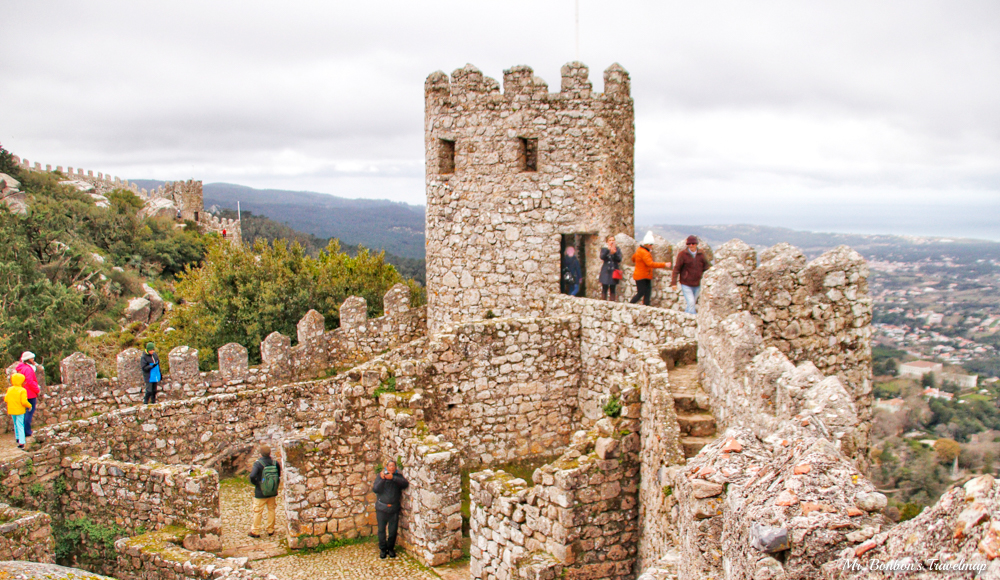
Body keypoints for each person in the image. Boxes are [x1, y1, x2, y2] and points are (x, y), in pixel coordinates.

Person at [372, 460, 409, 559]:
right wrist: (383, 479)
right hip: (382, 508)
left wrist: (393, 478)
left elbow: (405, 484)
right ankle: (383, 549)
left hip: (393, 508)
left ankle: (391, 548)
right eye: (390, 466)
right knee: (381, 530)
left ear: (395, 468)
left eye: (393, 466)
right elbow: (375, 489)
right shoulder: (380, 477)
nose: (392, 467)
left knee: (393, 531)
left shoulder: (398, 477)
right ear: (387, 467)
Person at [671, 235, 712, 315]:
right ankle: (694, 321)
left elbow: (706, 266)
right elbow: (676, 269)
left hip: (697, 284)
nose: (691, 245)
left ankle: (686, 319)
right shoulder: (682, 255)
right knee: (691, 302)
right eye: (689, 244)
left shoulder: (701, 254)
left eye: (693, 243)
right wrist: (673, 283)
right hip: (686, 284)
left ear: (696, 244)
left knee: (691, 304)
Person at [248, 444, 281, 538]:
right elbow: (278, 475)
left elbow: (252, 476)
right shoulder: (275, 463)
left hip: (260, 492)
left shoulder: (258, 464)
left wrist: (257, 484)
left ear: (261, 454)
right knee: (271, 509)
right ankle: (270, 529)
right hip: (272, 491)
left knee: (258, 511)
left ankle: (255, 531)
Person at [630, 232, 668, 306]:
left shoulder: (639, 250)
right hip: (642, 276)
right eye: (651, 245)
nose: (652, 246)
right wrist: (664, 264)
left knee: (647, 292)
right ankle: (630, 305)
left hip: (644, 275)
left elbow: (633, 258)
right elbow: (650, 264)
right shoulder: (644, 253)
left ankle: (645, 306)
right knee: (642, 292)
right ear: (648, 244)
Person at [15, 352, 40, 438]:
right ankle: (27, 431)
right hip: (29, 393)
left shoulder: (20, 369)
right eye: (32, 359)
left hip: (22, 392)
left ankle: (22, 431)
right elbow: (30, 381)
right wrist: (37, 390)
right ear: (28, 359)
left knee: (24, 412)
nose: (33, 360)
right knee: (29, 412)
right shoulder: (27, 369)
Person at [5, 373, 32, 449]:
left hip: (11, 409)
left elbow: (6, 399)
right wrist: (29, 406)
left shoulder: (9, 389)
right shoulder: (22, 390)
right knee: (20, 425)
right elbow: (24, 402)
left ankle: (17, 438)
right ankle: (22, 442)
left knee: (15, 424)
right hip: (20, 410)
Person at [599, 235, 623, 301]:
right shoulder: (604, 249)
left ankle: (612, 303)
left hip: (613, 271)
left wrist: (614, 253)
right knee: (604, 288)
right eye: (610, 240)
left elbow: (619, 259)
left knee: (613, 288)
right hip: (606, 271)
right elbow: (602, 257)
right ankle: (603, 303)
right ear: (607, 242)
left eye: (613, 240)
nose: (612, 242)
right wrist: (608, 250)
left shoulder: (617, 249)